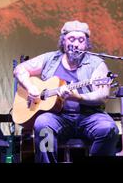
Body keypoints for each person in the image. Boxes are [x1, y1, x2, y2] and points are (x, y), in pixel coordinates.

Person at [13, 20, 118, 162]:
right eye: (71, 39)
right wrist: (30, 87)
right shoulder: (50, 59)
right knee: (43, 125)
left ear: (86, 44)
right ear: (63, 41)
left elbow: (102, 95)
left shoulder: (96, 63)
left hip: (89, 116)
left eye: (81, 40)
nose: (75, 43)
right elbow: (20, 69)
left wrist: (78, 98)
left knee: (109, 128)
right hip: (58, 117)